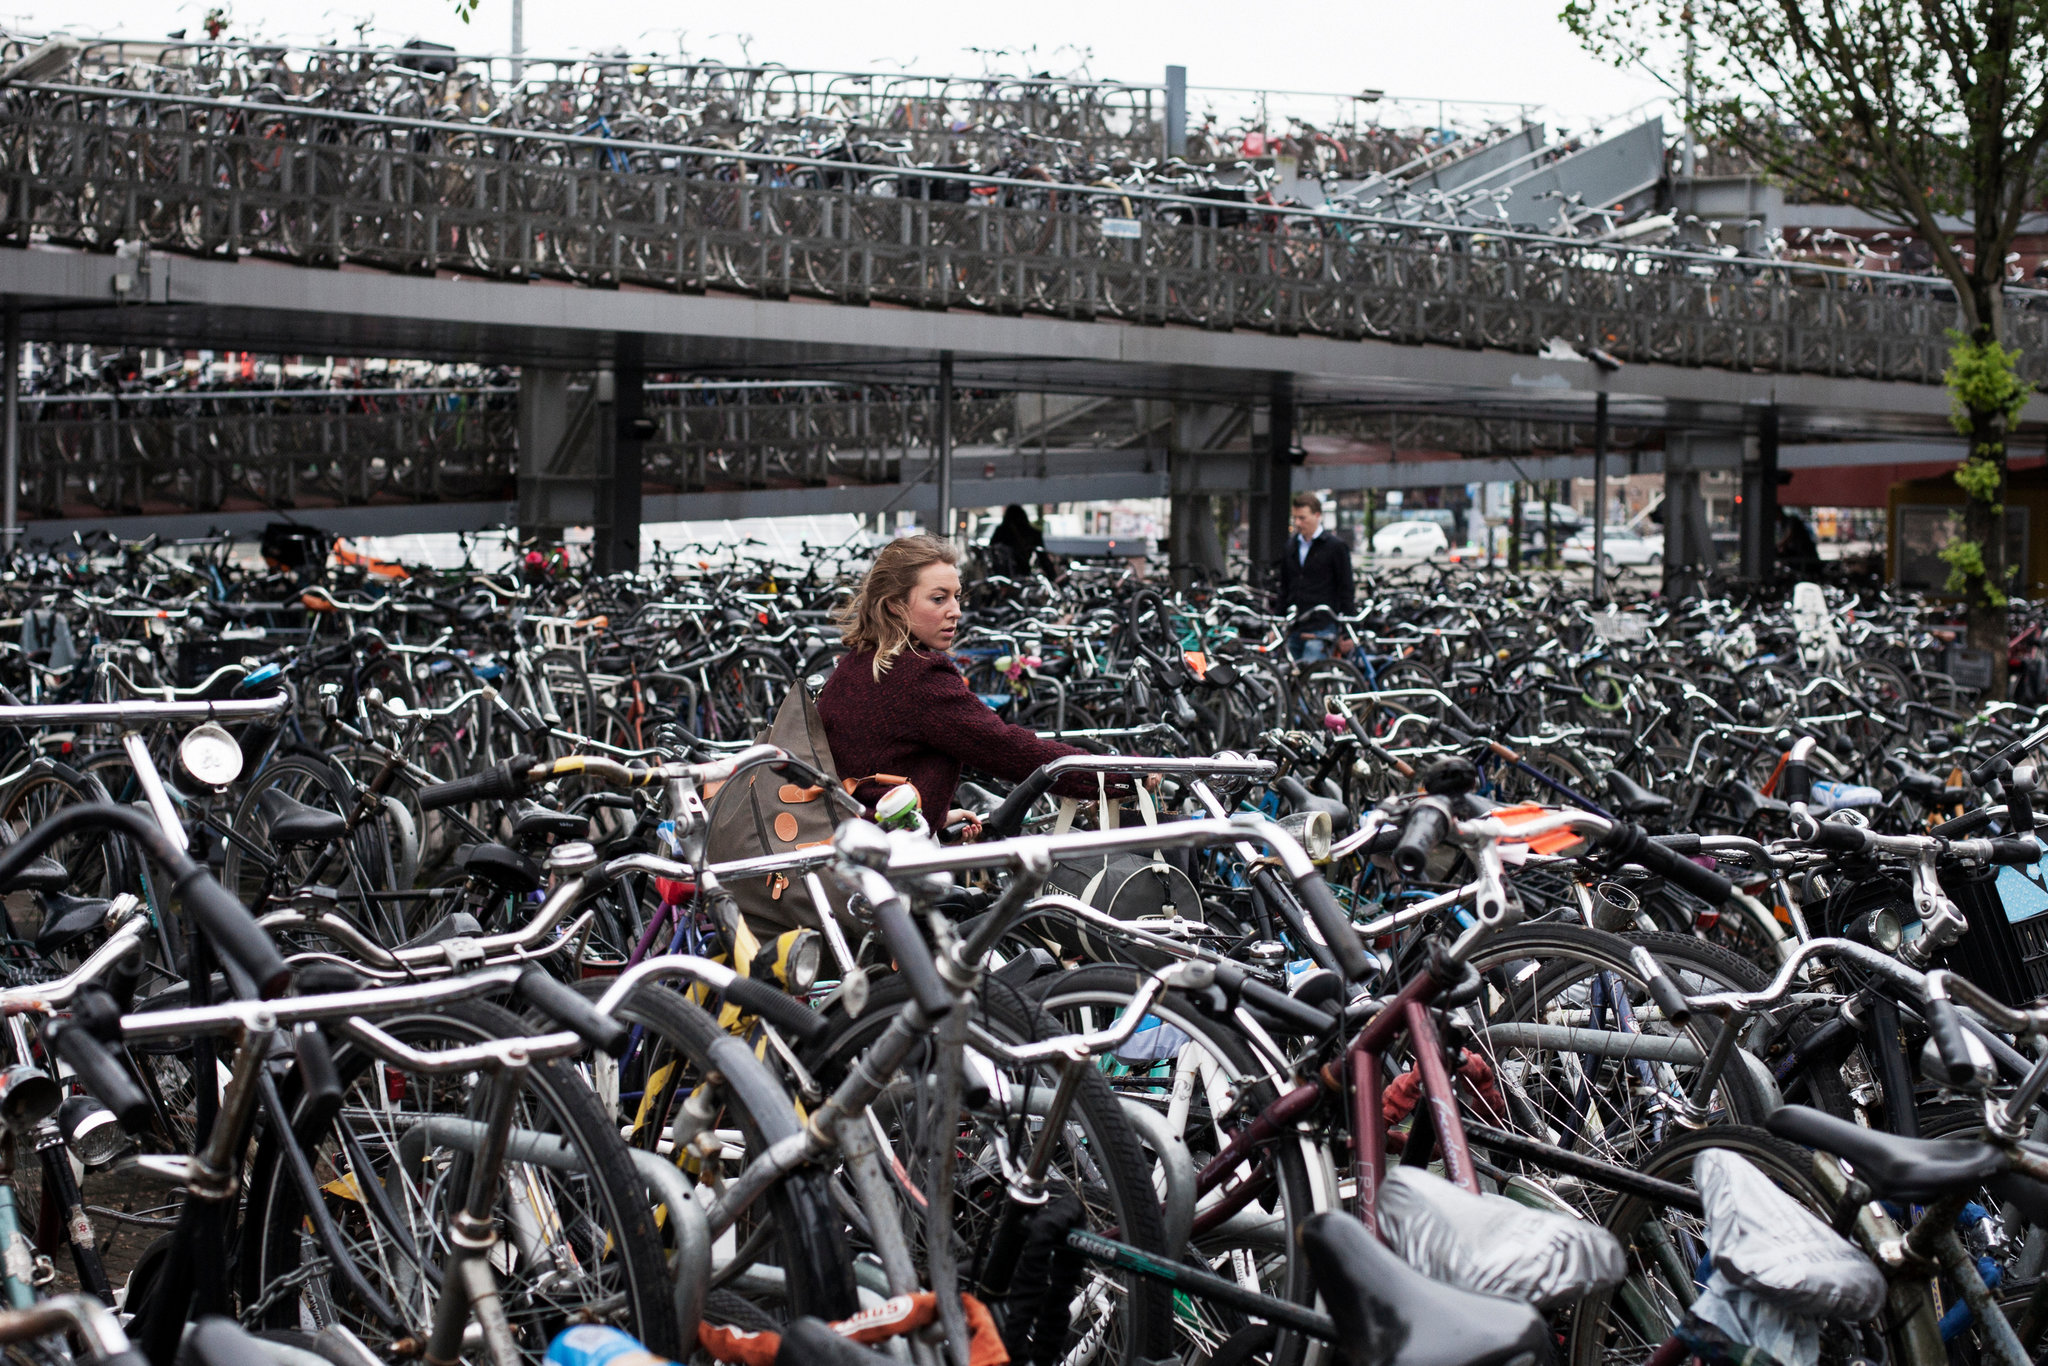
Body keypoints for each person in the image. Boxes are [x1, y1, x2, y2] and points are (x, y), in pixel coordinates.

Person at [817, 534, 1137, 839]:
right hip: (892, 863)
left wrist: (933, 814)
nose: (955, 610)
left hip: (854, 841)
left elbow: (874, 766)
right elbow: (1004, 749)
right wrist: (1119, 778)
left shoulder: (858, 663)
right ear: (895, 606)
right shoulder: (918, 677)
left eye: (957, 596)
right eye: (938, 598)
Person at [1275, 491, 1354, 660]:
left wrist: (1349, 631)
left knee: (1311, 677)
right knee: (1290, 679)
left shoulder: (1335, 547)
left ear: (1317, 515)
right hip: (1296, 626)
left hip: (1322, 625)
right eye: (1295, 518)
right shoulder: (1291, 546)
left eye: (1302, 518)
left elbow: (1346, 589)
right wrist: (1276, 623)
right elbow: (1284, 588)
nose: (1297, 523)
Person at [986, 504, 1053, 579]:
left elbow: (991, 550)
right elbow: (1043, 557)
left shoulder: (1001, 532)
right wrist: (1051, 576)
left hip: (1003, 573)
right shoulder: (1032, 533)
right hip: (1023, 570)